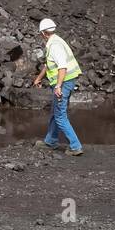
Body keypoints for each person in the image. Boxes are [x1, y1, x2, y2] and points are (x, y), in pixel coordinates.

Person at [32, 18, 83, 155]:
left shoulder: (55, 46)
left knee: (60, 116)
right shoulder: (56, 41)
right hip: (67, 82)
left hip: (64, 83)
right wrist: (38, 78)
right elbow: (48, 65)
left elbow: (62, 67)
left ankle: (75, 146)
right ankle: (50, 141)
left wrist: (58, 86)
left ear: (43, 33)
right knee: (55, 113)